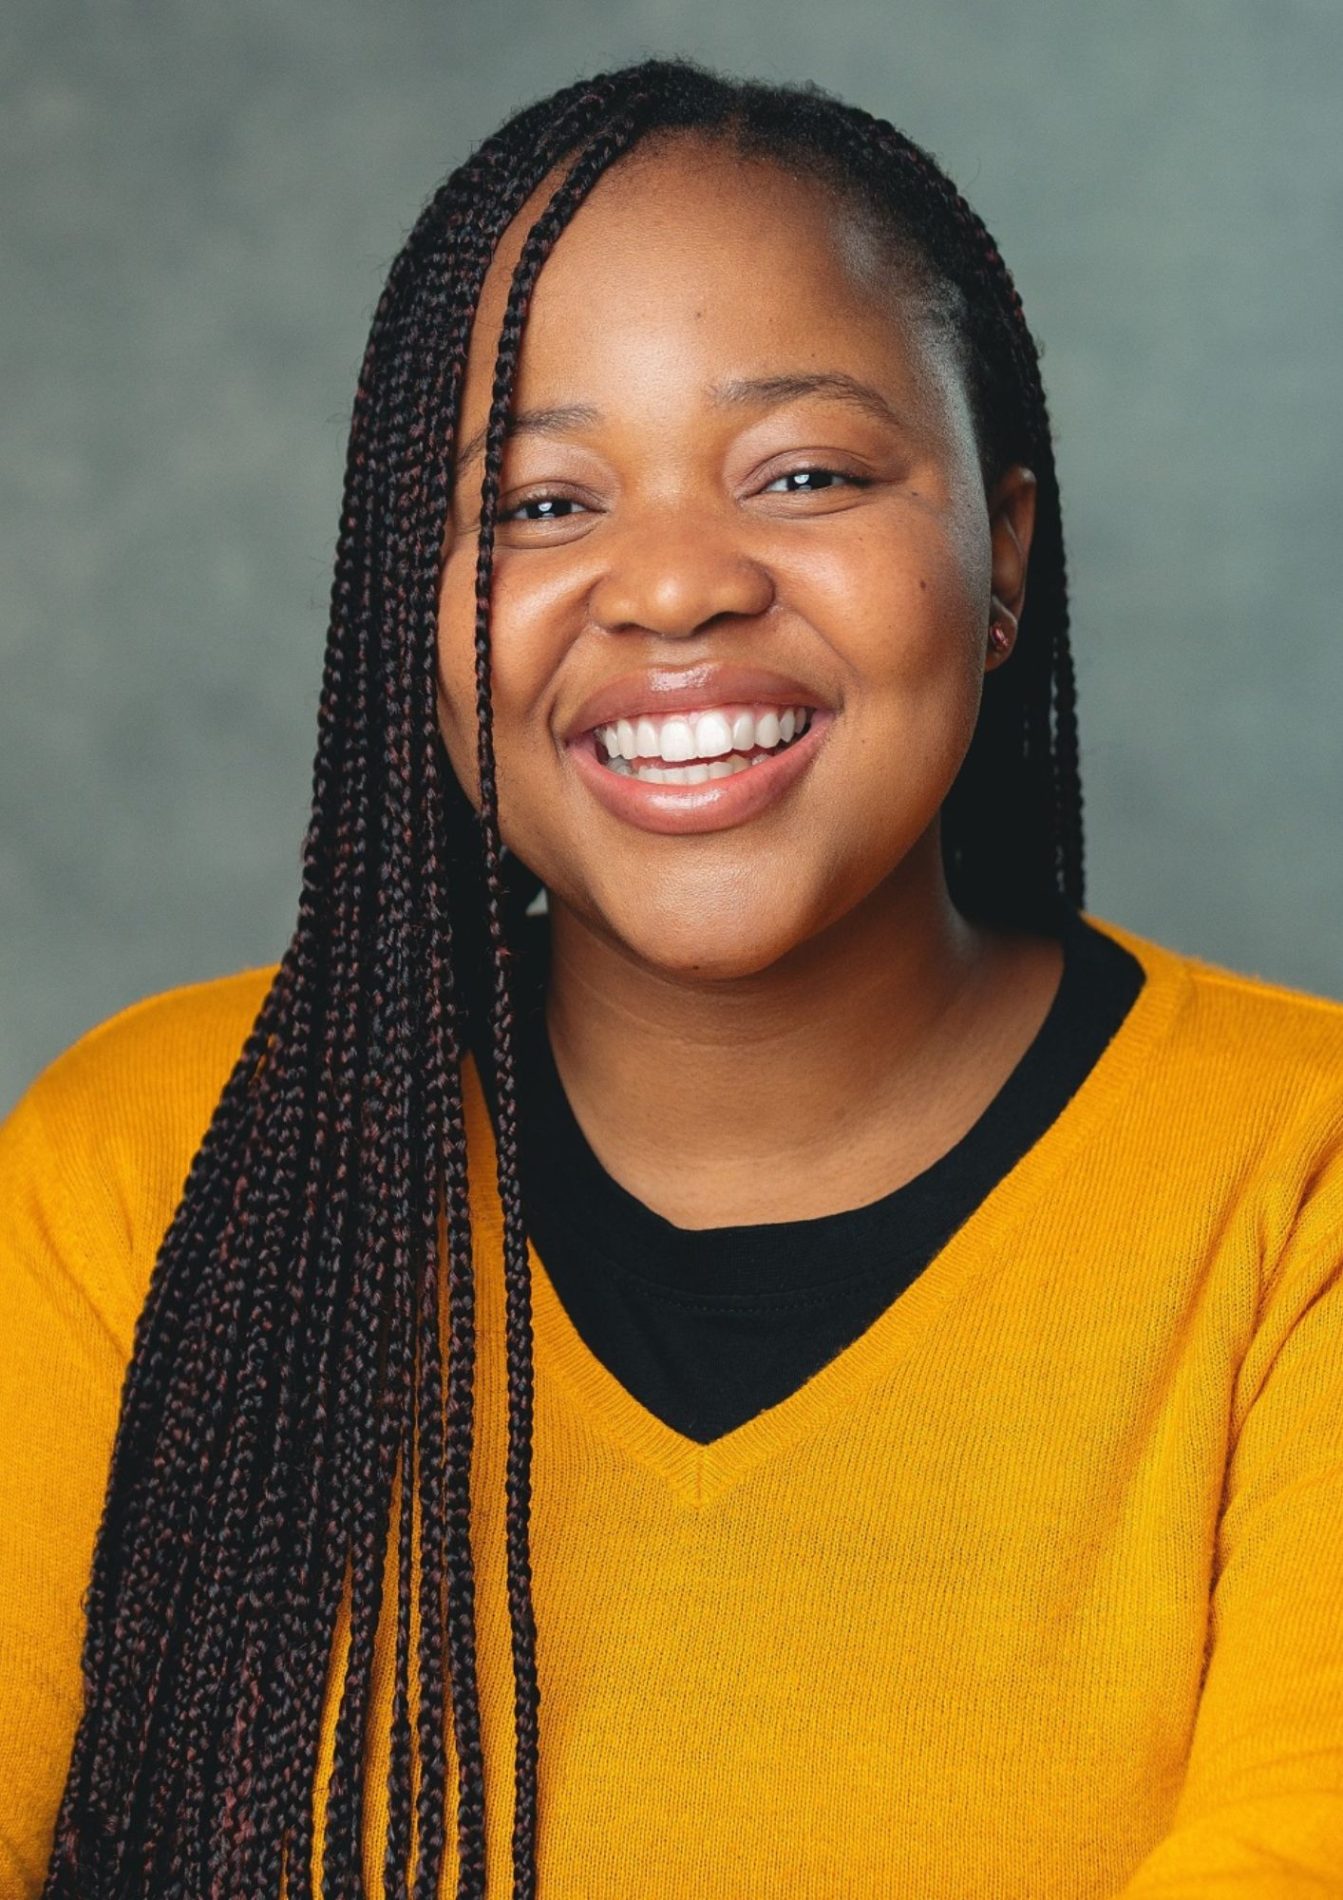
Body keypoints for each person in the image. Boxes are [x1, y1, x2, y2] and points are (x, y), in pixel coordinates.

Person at [1, 55, 1340, 1899]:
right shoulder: (145, 1167)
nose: (673, 587)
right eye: (545, 505)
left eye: (803, 472)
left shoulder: (1302, 1186)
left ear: (1002, 548)